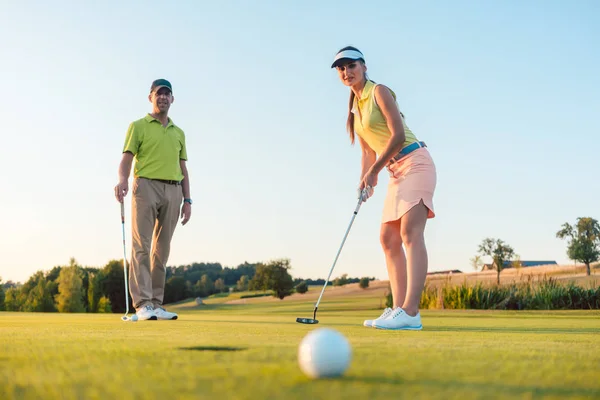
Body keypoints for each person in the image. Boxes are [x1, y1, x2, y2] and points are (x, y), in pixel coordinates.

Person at [331, 47, 437, 330]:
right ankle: (398, 310)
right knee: (388, 240)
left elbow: (398, 134)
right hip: (394, 171)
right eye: (341, 69)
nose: (346, 72)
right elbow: (367, 151)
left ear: (364, 66)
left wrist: (375, 171)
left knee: (409, 233)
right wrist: (365, 179)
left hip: (415, 162)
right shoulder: (355, 107)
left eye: (350, 65)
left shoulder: (379, 91)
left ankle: (411, 312)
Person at [114, 79, 192, 321]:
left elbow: (184, 168)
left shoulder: (179, 132)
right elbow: (126, 159)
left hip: (174, 190)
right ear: (151, 97)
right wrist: (123, 180)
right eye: (159, 94)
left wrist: (187, 200)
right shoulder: (138, 126)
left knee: (162, 251)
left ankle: (157, 304)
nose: (163, 98)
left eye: (167, 94)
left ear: (172, 99)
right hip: (145, 187)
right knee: (141, 246)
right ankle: (143, 304)